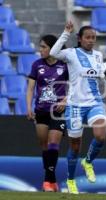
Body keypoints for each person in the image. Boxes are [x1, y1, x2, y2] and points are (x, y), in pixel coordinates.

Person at [50, 21, 106, 194]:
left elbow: (100, 77)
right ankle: (70, 180)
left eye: (93, 38)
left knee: (101, 136)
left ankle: (88, 162)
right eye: (88, 37)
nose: (91, 41)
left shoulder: (98, 55)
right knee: (75, 147)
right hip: (75, 105)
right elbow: (53, 53)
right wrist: (65, 32)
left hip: (94, 102)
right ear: (80, 39)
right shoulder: (71, 53)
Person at [26, 34, 68, 192]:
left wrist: (66, 100)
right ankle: (52, 180)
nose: (40, 49)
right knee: (44, 146)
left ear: (52, 48)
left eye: (43, 47)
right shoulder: (37, 65)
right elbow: (30, 88)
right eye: (40, 46)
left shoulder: (64, 65)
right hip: (41, 111)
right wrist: (29, 107)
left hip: (58, 111)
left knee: (53, 144)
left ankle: (47, 181)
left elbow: (76, 86)